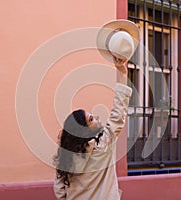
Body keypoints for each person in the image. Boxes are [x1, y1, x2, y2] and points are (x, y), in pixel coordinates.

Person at [53, 56, 133, 200]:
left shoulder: (67, 157)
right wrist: (122, 73)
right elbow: (118, 114)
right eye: (91, 119)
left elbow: (59, 189)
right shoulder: (103, 144)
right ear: (84, 131)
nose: (97, 118)